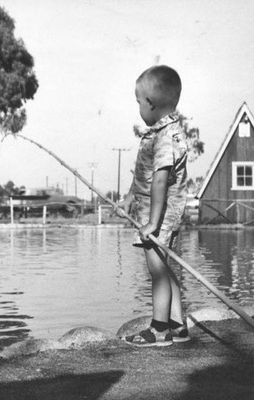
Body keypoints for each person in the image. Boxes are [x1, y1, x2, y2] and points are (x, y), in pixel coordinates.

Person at [118, 65, 190, 347]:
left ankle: (159, 329)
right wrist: (129, 197)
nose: (138, 108)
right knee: (165, 268)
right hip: (158, 214)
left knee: (156, 271)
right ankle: (177, 325)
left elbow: (160, 181)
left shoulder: (164, 137)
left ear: (150, 103)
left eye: (138, 102)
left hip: (159, 217)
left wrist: (152, 223)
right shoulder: (163, 133)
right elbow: (146, 174)